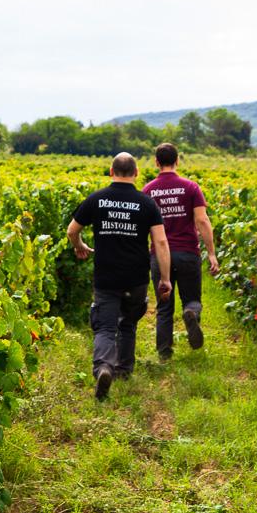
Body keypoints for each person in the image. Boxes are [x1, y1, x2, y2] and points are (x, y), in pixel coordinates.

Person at [68, 152, 172, 401]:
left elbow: (73, 230)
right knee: (128, 323)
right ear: (136, 173)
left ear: (111, 172)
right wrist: (165, 278)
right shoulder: (146, 203)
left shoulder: (97, 199)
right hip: (136, 277)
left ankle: (104, 367)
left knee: (105, 326)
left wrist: (79, 245)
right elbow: (160, 241)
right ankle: (124, 370)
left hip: (106, 276)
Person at [143, 141, 217, 359]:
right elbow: (202, 221)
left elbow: (142, 227)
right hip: (187, 252)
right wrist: (211, 253)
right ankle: (191, 313)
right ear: (177, 160)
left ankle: (164, 353)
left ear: (156, 162)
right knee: (192, 298)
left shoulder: (148, 190)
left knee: (164, 306)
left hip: (159, 255)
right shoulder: (191, 187)